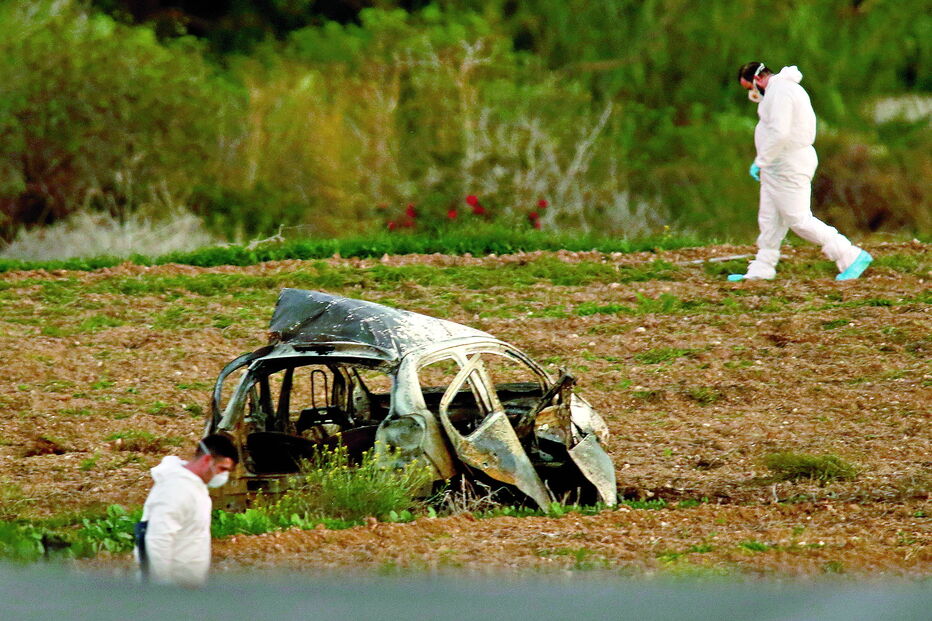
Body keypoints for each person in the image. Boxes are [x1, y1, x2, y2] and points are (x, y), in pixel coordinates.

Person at [729, 61, 872, 282]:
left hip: (789, 165)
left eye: (749, 88)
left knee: (798, 219)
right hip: (775, 167)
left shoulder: (782, 91)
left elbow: (780, 132)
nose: (752, 94)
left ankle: (849, 255)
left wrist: (762, 159)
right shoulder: (778, 91)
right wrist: (765, 162)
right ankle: (762, 268)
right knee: (769, 218)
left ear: (757, 80)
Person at [135, 434, 238, 587]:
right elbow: (159, 539)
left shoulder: (194, 486)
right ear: (207, 460)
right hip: (173, 588)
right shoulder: (176, 488)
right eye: (222, 468)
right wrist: (161, 587)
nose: (223, 476)